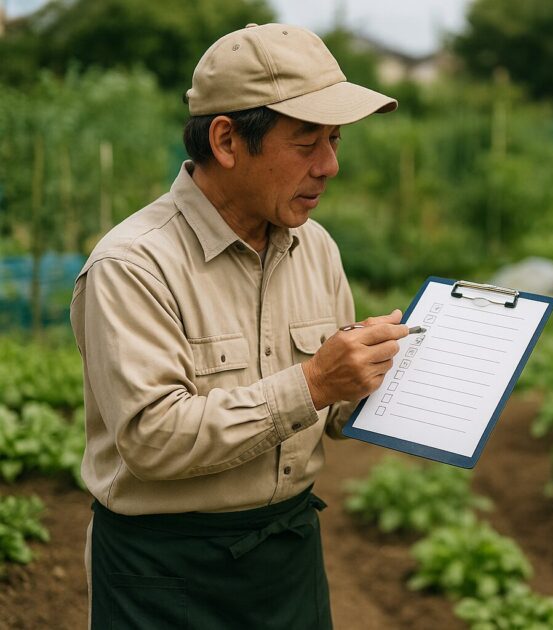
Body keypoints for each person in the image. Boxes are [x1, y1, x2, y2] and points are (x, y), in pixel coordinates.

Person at [70, 23, 407, 629]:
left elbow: (333, 412)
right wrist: (313, 383)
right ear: (226, 140)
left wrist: (396, 377)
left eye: (335, 141)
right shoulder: (134, 264)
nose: (330, 166)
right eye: (307, 145)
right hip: (162, 573)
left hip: (288, 559)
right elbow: (152, 436)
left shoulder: (316, 246)